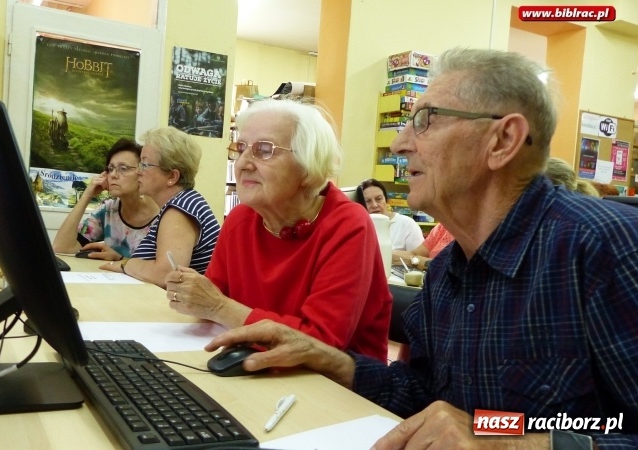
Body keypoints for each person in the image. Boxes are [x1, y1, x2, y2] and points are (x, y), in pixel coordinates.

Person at [204, 48, 638, 448]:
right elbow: (427, 397)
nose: (399, 144)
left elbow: (603, 427)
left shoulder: (606, 246)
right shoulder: (449, 269)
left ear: (503, 140)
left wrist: (520, 442)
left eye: (426, 120)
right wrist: (331, 359)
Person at [162, 98, 392, 361]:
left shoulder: (348, 225)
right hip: (253, 366)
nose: (242, 163)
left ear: (307, 166)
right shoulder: (240, 220)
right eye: (241, 148)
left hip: (331, 389)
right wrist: (193, 295)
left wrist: (218, 307)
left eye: (263, 150)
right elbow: (210, 304)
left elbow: (320, 342)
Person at [99, 127, 220, 287]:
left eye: (145, 165)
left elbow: (166, 275)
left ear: (172, 176)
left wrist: (125, 264)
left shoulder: (180, 210)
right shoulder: (179, 203)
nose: (139, 172)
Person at [52, 138, 159, 260]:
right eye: (111, 168)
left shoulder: (162, 217)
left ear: (142, 173)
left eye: (123, 168)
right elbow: (61, 247)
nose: (113, 175)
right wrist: (87, 196)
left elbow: (165, 271)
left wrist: (120, 259)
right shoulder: (109, 210)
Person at [359, 178, 424, 255]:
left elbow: (419, 257)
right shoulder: (359, 227)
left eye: (379, 199)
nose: (375, 205)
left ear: (386, 200)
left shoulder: (407, 224)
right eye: (368, 201)